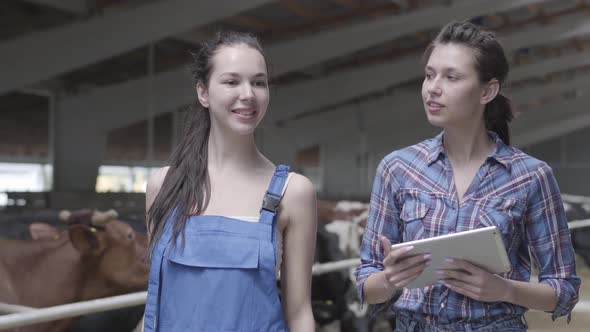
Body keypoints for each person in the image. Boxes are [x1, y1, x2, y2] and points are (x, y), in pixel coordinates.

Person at [355, 21, 580, 331]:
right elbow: (366, 283)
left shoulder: (531, 176)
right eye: (429, 75)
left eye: (451, 77)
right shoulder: (398, 168)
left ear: (487, 90)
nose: (433, 88)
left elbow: (564, 289)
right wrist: (390, 280)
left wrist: (506, 290)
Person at [142, 31, 317, 332]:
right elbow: (156, 301)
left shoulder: (293, 192)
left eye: (259, 82)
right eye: (232, 81)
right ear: (203, 93)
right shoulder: (163, 186)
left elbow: (299, 313)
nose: (248, 94)